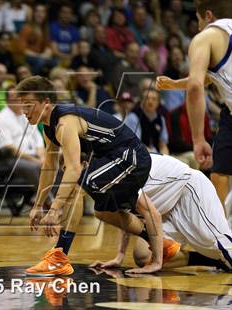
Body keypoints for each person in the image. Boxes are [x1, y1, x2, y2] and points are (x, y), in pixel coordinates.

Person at [16, 76, 162, 276]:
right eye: (21, 105)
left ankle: (59, 257)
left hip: (131, 157)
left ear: (46, 103)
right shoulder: (49, 128)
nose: (24, 111)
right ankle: (161, 243)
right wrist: (38, 205)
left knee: (76, 185)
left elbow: (74, 169)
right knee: (104, 213)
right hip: (110, 158)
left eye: (28, 105)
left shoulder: (65, 123)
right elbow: (48, 167)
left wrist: (55, 208)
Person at [92, 153, 232, 272]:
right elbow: (125, 215)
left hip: (187, 191)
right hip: (163, 211)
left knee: (222, 246)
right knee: (143, 256)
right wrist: (119, 257)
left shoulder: (120, 169)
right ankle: (214, 260)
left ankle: (223, 257)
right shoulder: (105, 176)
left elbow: (147, 213)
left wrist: (158, 262)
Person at [156, 0, 232, 211]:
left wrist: (198, 139)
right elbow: (213, 76)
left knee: (221, 174)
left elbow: (197, 87)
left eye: (198, 21)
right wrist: (175, 84)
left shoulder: (207, 37)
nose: (198, 27)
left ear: (208, 16)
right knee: (220, 172)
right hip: (229, 113)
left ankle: (219, 233)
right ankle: (221, 232)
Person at [0, 86, 45, 192]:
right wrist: (36, 161)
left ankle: (52, 198)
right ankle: (47, 201)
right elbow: (11, 149)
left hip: (34, 155)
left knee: (58, 164)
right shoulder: (1, 119)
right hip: (10, 159)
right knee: (34, 167)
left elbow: (38, 138)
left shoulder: (27, 114)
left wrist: (42, 157)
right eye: (14, 99)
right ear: (7, 101)